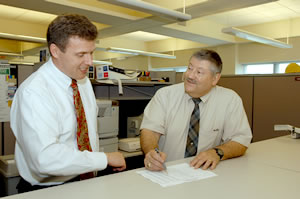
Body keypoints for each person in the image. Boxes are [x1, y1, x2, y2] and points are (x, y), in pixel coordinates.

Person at [10, 14, 126, 193]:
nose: (89, 62)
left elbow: (87, 132)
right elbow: (45, 158)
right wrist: (104, 159)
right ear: (55, 51)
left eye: (91, 52)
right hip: (47, 190)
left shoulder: (83, 81)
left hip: (85, 182)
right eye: (81, 54)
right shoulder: (34, 92)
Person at [140, 49, 252, 171]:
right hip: (167, 172)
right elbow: (150, 131)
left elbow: (241, 140)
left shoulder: (230, 100)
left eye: (199, 72)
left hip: (205, 173)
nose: (190, 75)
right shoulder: (164, 95)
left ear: (215, 78)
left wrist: (217, 152)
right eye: (189, 68)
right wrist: (151, 151)